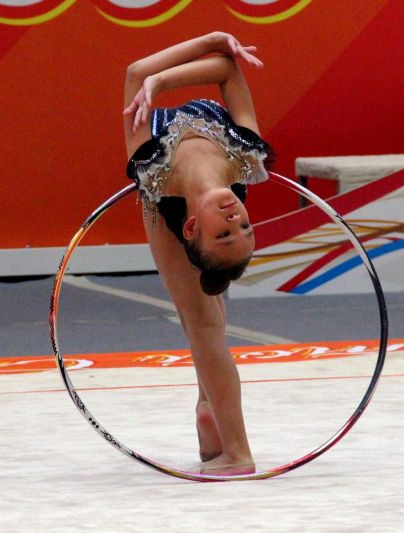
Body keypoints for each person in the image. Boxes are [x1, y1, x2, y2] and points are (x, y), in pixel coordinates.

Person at [122, 32, 272, 475]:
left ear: (192, 229)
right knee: (204, 319)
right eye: (245, 227)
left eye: (225, 233)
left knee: (204, 325)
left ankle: (237, 452)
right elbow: (227, 69)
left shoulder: (150, 164)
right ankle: (209, 408)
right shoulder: (245, 154)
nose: (235, 217)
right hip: (179, 199)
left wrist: (154, 81)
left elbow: (135, 73)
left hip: (160, 201)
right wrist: (214, 39)